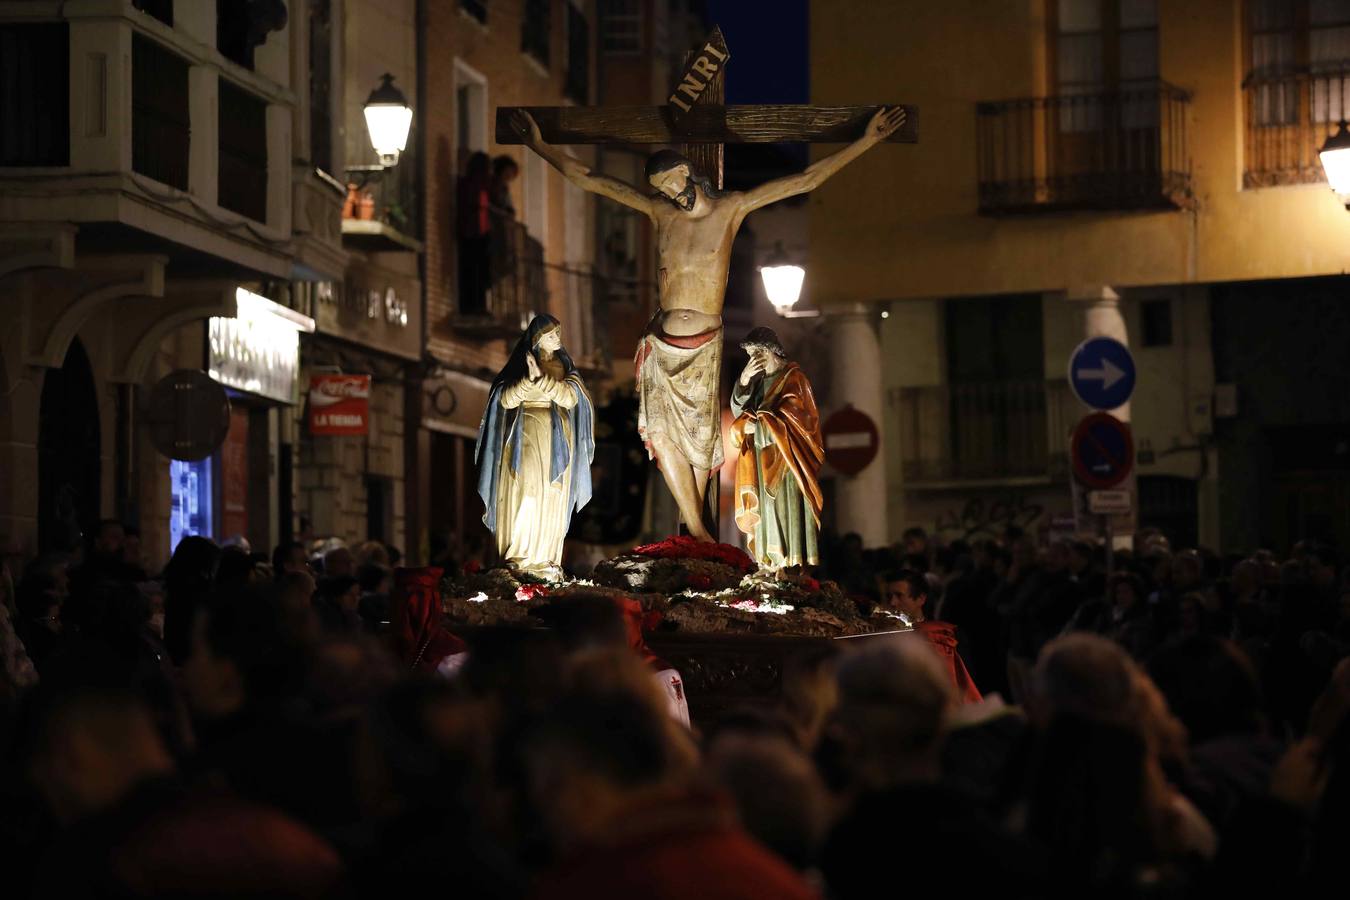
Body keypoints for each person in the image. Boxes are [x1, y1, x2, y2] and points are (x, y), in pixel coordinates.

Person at [511, 105, 906, 542]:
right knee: (660, 435)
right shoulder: (660, 213)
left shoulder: (730, 209)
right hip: (662, 342)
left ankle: (696, 535)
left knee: (701, 441)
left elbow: (805, 180)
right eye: (660, 188)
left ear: (686, 172)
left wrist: (867, 141)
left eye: (670, 182)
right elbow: (590, 178)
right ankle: (698, 533)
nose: (668, 192)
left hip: (703, 342)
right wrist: (539, 145)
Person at [476, 314, 595, 577]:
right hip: (525, 435)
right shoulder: (520, 367)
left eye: (558, 334)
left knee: (551, 495)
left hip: (557, 439)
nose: (557, 339)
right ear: (538, 339)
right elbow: (505, 400)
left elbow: (572, 399)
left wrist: (543, 381)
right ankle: (518, 555)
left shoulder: (565, 369)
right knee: (526, 493)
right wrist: (527, 382)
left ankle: (544, 557)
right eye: (552, 335)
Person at [729, 327, 824, 572]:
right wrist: (744, 380)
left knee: (781, 510)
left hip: (786, 461)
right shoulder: (760, 383)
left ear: (770, 351)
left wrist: (758, 427)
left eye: (756, 354)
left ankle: (788, 565)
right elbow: (740, 412)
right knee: (766, 513)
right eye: (749, 356)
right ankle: (768, 565)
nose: (753, 360)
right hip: (762, 461)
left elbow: (797, 420)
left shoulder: (794, 379)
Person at [883, 568, 982, 704]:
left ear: (921, 599)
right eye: (889, 596)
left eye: (899, 596)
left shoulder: (945, 635)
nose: (892, 603)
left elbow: (964, 682)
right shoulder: (883, 638)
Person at [457, 150, 493, 314]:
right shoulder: (471, 185)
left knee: (481, 273)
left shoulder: (484, 187)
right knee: (473, 272)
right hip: (472, 235)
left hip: (481, 234)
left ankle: (479, 305)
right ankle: (473, 306)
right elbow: (471, 209)